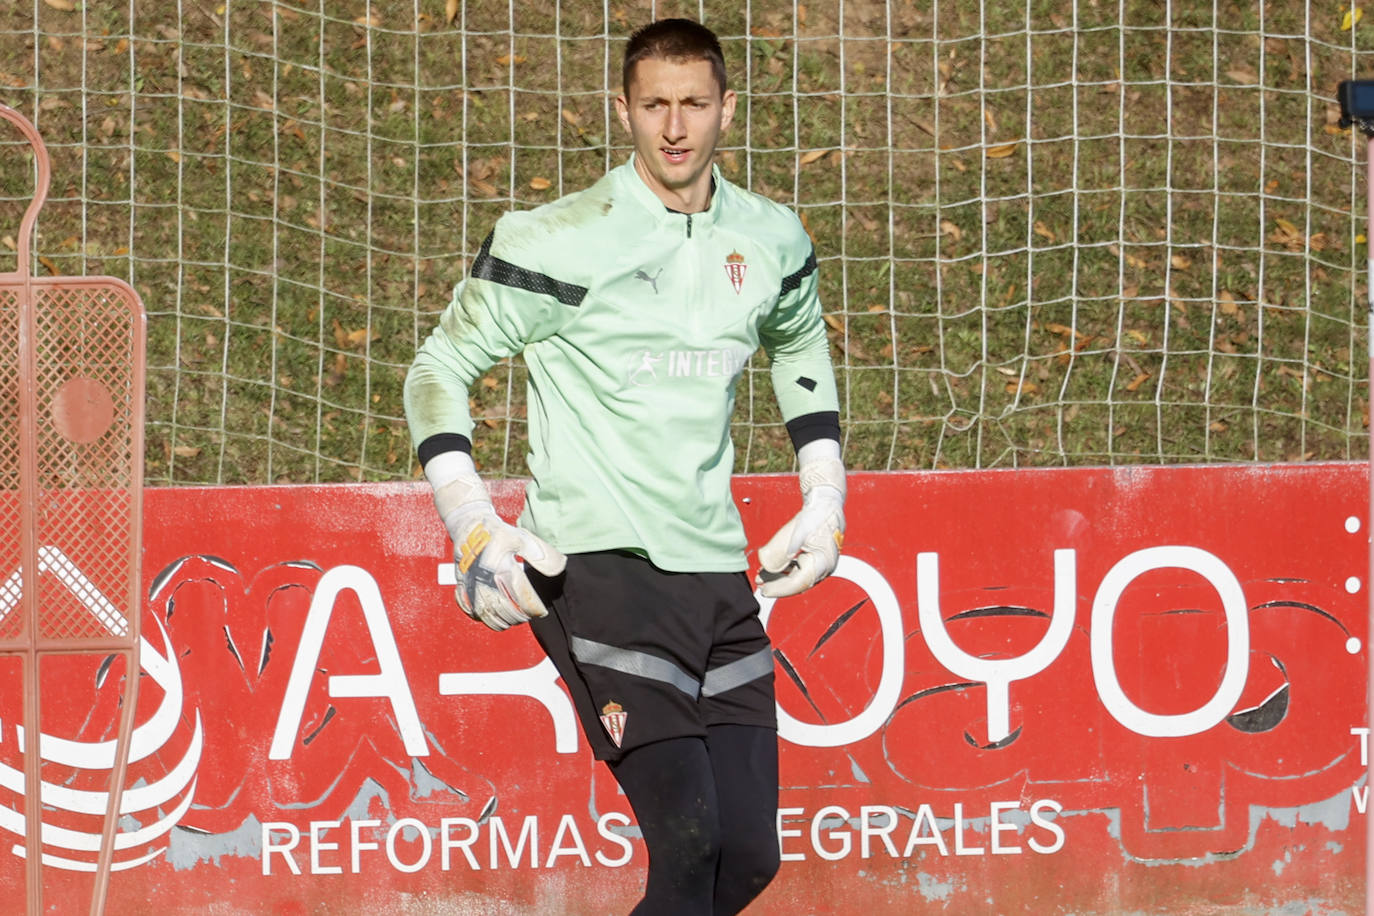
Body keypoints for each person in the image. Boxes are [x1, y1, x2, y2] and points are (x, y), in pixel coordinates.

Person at [404, 17, 845, 915]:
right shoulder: (556, 239)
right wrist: (472, 526)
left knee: (747, 857)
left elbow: (800, 347)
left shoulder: (771, 239)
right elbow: (437, 369)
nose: (674, 128)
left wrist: (823, 498)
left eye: (692, 105)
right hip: (600, 570)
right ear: (624, 109)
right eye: (654, 106)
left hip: (718, 573)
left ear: (727, 109)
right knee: (689, 850)